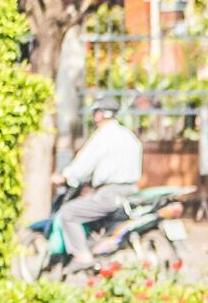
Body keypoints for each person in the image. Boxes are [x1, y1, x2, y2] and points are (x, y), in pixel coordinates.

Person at [54, 105, 143, 265]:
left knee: (68, 213)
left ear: (98, 115)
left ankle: (83, 256)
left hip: (109, 194)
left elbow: (84, 165)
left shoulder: (103, 136)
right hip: (131, 192)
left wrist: (66, 176)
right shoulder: (129, 136)